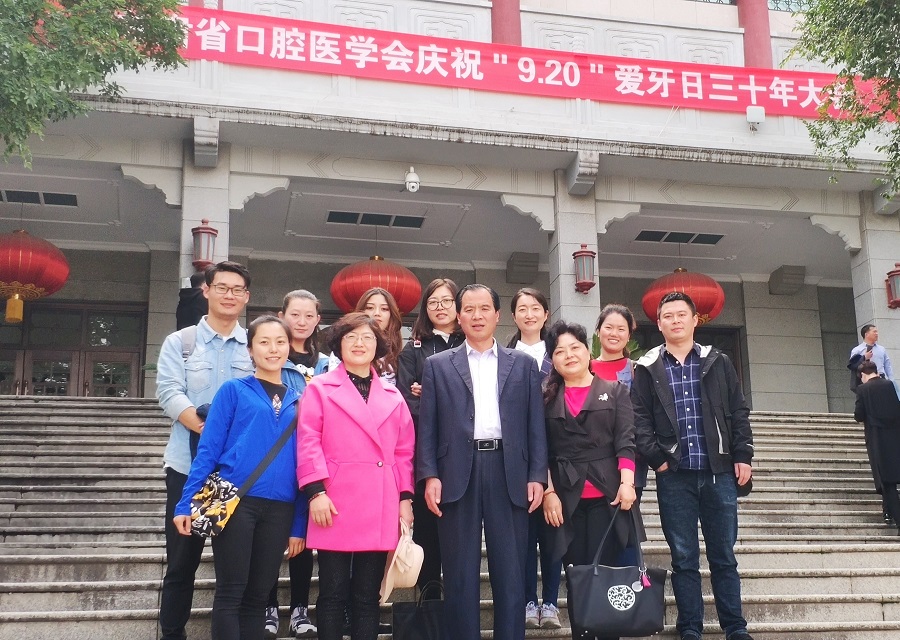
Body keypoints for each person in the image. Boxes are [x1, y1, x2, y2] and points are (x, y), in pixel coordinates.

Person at [417, 284, 547, 640]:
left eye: (484, 308)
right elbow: (427, 427)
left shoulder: (522, 364)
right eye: (469, 309)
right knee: (459, 574)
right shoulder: (437, 366)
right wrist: (429, 475)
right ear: (459, 317)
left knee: (511, 572)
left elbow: (535, 424)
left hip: (510, 471)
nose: (477, 316)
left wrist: (537, 474)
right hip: (457, 472)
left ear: (497, 315)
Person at [172, 315, 307, 640]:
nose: (273, 349)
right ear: (250, 350)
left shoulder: (300, 400)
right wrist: (185, 502)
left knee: (259, 596)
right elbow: (208, 450)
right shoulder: (233, 390)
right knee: (231, 592)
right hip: (236, 501)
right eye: (264, 342)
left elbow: (306, 463)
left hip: (281, 508)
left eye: (280, 342)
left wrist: (299, 525)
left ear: (289, 347)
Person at [632, 291, 754, 640]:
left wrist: (743, 455)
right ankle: (690, 626)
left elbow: (738, 410)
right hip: (675, 476)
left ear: (694, 319)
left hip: (719, 472)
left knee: (723, 555)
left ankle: (735, 626)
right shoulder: (649, 367)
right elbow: (639, 418)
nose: (675, 321)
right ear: (659, 324)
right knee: (683, 557)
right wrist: (658, 460)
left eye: (681, 315)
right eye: (668, 316)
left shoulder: (718, 361)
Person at [297, 312, 415, 640]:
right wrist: (316, 492)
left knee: (367, 596)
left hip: (380, 501)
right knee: (332, 593)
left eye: (367, 337)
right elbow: (308, 441)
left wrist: (405, 499)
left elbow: (404, 452)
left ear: (378, 345)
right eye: (351, 337)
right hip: (332, 499)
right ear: (338, 344)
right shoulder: (320, 388)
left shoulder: (393, 395)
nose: (359, 343)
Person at [156, 261, 255, 640]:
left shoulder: (256, 344)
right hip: (188, 468)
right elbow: (169, 393)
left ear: (246, 297)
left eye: (237, 289)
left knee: (238, 571)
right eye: (222, 287)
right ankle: (172, 633)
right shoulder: (181, 342)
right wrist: (211, 432)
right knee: (181, 564)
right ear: (207, 291)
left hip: (238, 474)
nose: (229, 295)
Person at [541, 321, 642, 640]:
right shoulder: (546, 398)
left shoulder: (615, 391)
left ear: (588, 351)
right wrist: (548, 491)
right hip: (565, 501)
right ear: (553, 360)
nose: (569, 355)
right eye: (560, 351)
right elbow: (540, 448)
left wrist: (627, 483)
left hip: (607, 497)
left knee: (608, 579)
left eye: (575, 348)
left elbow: (626, 440)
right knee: (578, 580)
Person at [397, 278, 465, 600]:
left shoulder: (470, 344)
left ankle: (459, 601)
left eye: (446, 300)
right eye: (433, 302)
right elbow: (405, 397)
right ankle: (429, 601)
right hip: (427, 450)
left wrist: (433, 395)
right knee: (426, 528)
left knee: (460, 530)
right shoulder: (413, 349)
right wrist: (436, 403)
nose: (440, 307)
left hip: (466, 451)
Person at [266, 290, 329, 638]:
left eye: (309, 316)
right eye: (295, 314)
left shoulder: (327, 363)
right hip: (277, 457)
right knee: (271, 536)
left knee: (303, 536)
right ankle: (268, 608)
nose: (301, 322)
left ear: (318, 320)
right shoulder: (273, 355)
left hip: (313, 458)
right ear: (282, 315)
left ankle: (300, 609)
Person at [506, 287, 559, 630]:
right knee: (523, 535)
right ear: (513, 316)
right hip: (517, 454)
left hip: (558, 449)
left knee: (552, 532)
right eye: (522, 309)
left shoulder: (558, 353)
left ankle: (550, 601)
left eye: (535, 308)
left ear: (545, 314)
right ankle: (528, 599)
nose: (529, 314)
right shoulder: (504, 355)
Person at [854, 360, 900, 533]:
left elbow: (859, 415)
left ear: (862, 375)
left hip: (877, 439)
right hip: (895, 436)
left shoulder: (862, 390)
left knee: (887, 482)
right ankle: (890, 513)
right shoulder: (889, 385)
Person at [354, 287, 404, 385]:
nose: (377, 313)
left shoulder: (399, 353)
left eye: (384, 309)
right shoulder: (346, 347)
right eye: (370, 308)